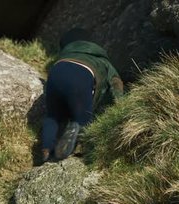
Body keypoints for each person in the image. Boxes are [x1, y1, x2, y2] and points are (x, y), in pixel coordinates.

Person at [40, 28, 124, 163]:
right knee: (83, 117)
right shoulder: (101, 58)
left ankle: (46, 148)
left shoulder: (65, 53)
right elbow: (116, 83)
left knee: (52, 116)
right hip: (82, 73)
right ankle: (76, 126)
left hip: (57, 71)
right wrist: (121, 106)